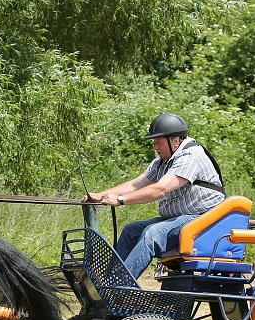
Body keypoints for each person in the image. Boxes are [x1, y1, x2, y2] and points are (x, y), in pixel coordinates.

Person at [85, 113, 225, 278]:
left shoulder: (190, 156)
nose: (154, 147)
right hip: (181, 218)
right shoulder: (163, 160)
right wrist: (100, 196)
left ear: (175, 141)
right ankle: (109, 281)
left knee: (153, 234)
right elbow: (134, 184)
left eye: (158, 142)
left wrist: (120, 200)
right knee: (131, 230)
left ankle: (120, 287)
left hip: (204, 219)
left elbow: (160, 190)